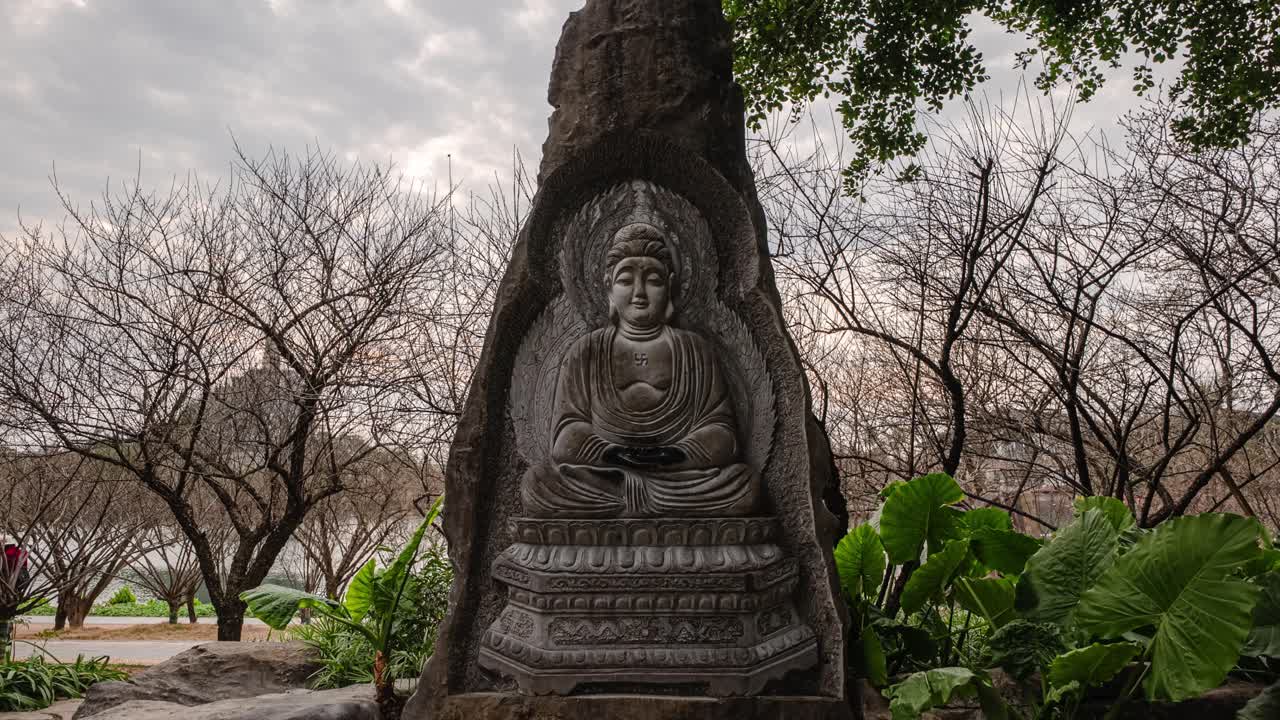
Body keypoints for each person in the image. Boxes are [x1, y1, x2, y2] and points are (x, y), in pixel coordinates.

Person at [521, 222, 761, 518]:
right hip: (607, 478)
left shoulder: (694, 351)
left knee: (743, 485)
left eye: (653, 280)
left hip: (679, 480)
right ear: (608, 286)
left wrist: (675, 455)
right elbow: (565, 438)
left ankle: (630, 515)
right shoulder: (586, 351)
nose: (639, 293)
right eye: (625, 280)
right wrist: (612, 453)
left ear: (670, 285)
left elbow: (723, 434)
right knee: (538, 484)